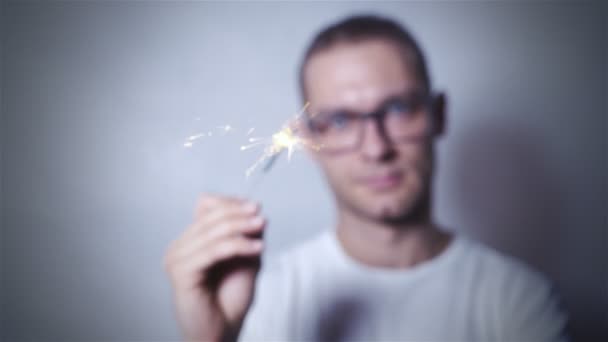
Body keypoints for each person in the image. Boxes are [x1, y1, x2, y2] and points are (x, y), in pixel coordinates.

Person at [164, 15, 568, 341]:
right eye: (339, 120)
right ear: (307, 138)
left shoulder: (518, 300)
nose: (376, 149)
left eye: (398, 109)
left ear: (438, 115)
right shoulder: (265, 300)